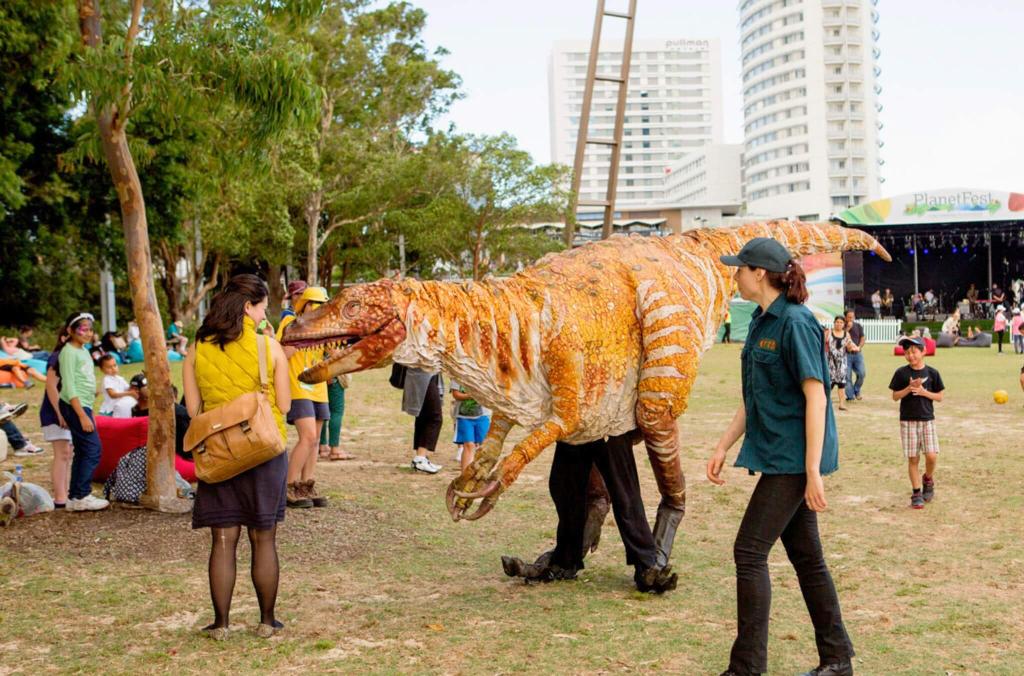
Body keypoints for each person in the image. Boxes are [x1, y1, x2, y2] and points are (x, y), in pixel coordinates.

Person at [708, 237, 854, 676]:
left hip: (794, 458)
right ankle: (837, 659)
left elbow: (817, 396)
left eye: (739, 268)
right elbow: (754, 396)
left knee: (749, 552)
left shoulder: (796, 322)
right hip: (777, 454)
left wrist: (812, 470)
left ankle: (746, 668)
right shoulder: (759, 321)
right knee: (808, 558)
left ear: (759, 273)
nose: (734, 274)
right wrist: (723, 444)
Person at [184, 273, 292, 640]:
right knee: (264, 538)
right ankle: (267, 620)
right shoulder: (268, 346)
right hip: (263, 448)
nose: (265, 315)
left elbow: (194, 407)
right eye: (263, 307)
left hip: (219, 453)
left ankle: (221, 624)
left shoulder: (198, 347)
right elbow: (287, 404)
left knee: (223, 540)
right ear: (248, 307)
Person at [502, 431, 677, 593]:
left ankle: (645, 566)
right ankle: (564, 561)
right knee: (564, 488)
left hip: (611, 425)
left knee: (625, 496)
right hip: (576, 424)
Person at [276, 286, 331, 508]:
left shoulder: (325, 328)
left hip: (318, 387)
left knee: (316, 440)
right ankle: (288, 487)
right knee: (307, 436)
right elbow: (281, 353)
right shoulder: (290, 324)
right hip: (297, 386)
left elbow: (330, 353)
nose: (319, 310)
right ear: (305, 305)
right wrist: (299, 338)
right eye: (315, 305)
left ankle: (306, 485)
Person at [57, 312, 110, 512]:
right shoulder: (68, 352)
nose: (88, 333)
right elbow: (70, 386)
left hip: (83, 405)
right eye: (83, 329)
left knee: (83, 450)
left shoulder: (83, 350)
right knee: (93, 450)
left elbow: (82, 378)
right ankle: (81, 494)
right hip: (75, 406)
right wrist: (81, 415)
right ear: (70, 331)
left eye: (90, 329)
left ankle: (75, 496)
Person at [888, 336, 945, 510]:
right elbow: (895, 396)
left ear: (923, 352)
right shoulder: (901, 373)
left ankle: (928, 478)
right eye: (907, 352)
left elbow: (940, 397)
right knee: (913, 458)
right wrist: (909, 388)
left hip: (927, 419)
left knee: (932, 455)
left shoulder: (933, 373)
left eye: (914, 351)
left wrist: (922, 392)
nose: (910, 355)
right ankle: (916, 493)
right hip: (908, 420)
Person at [403, 367, 444, 474]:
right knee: (434, 417)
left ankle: (421, 458)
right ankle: (420, 458)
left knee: (423, 416)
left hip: (427, 373)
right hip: (422, 374)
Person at [450, 380, 491, 472]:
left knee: (483, 445)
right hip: (463, 417)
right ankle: (465, 475)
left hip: (483, 416)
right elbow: (456, 394)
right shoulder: (457, 375)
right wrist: (472, 395)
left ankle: (481, 472)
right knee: (468, 445)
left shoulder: (483, 375)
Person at [318, 373, 353, 461]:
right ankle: (334, 450)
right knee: (336, 412)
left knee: (322, 409)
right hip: (333, 377)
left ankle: (322, 446)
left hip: (319, 378)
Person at [826, 316, 854, 411]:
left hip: (842, 362)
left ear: (844, 324)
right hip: (830, 362)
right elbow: (824, 344)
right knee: (829, 384)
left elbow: (849, 348)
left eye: (841, 322)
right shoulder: (829, 332)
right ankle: (825, 403)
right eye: (837, 322)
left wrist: (850, 346)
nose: (839, 324)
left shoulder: (847, 334)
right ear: (834, 323)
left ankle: (842, 404)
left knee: (841, 384)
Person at [843, 309, 866, 401]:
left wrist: (859, 347)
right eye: (849, 317)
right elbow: (840, 336)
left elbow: (863, 338)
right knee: (847, 377)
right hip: (845, 355)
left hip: (857, 354)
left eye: (852, 316)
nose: (851, 318)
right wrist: (847, 328)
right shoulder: (841, 325)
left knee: (862, 373)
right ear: (845, 317)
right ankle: (850, 396)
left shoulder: (858, 326)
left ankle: (857, 390)